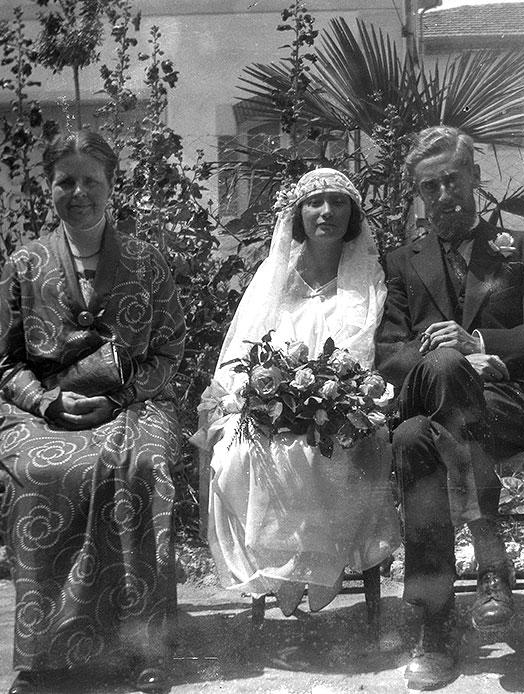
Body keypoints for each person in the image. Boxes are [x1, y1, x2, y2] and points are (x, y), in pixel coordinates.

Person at [376, 126, 524, 690]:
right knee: (439, 372)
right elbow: (388, 355)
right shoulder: (403, 261)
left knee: (414, 439)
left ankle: (434, 629)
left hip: (509, 401)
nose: (443, 196)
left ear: (475, 180)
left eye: (452, 181)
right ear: (418, 193)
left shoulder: (522, 248)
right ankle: (489, 555)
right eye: (429, 186)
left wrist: (482, 346)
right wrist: (444, 355)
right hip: (443, 398)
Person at [0, 129, 186, 694]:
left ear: (111, 185)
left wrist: (120, 397)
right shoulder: (25, 264)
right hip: (44, 411)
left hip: (134, 401)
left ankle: (143, 649)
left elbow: (170, 349)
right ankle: (40, 656)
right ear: (47, 187)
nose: (78, 192)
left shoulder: (147, 260)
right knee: (41, 472)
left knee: (143, 467)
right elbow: (2, 362)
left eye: (90, 181)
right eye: (64, 181)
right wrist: (46, 400)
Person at [195, 168, 401, 617]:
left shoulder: (368, 278)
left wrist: (330, 402)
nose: (326, 212)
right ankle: (279, 575)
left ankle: (312, 573)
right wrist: (253, 400)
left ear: (354, 215)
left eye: (338, 202)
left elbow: (367, 356)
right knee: (236, 454)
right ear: (298, 213)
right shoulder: (273, 277)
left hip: (340, 409)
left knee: (322, 453)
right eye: (315, 202)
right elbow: (240, 352)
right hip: (270, 404)